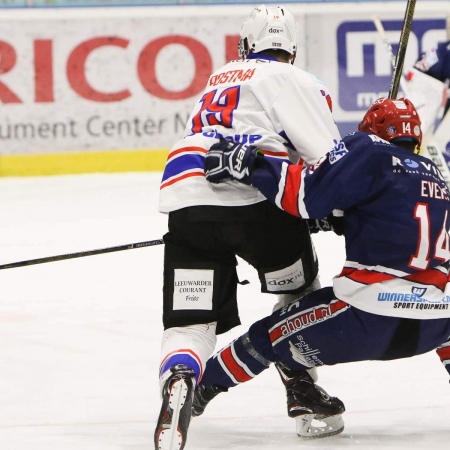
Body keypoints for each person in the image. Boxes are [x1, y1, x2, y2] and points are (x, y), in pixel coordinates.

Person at [197, 97, 450, 438]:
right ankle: (303, 394)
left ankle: (199, 389)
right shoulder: (437, 175)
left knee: (269, 335)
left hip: (367, 319)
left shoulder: (368, 149)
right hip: (435, 324)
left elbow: (302, 196)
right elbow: (393, 221)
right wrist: (336, 216)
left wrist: (251, 164)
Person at [154, 4, 343, 450]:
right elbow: (327, 158)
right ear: (291, 50)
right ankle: (300, 389)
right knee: (298, 292)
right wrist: (330, 209)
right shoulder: (296, 80)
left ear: (245, 45)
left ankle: (179, 380)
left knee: (191, 321)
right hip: (260, 205)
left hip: (189, 205)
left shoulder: (216, 80)